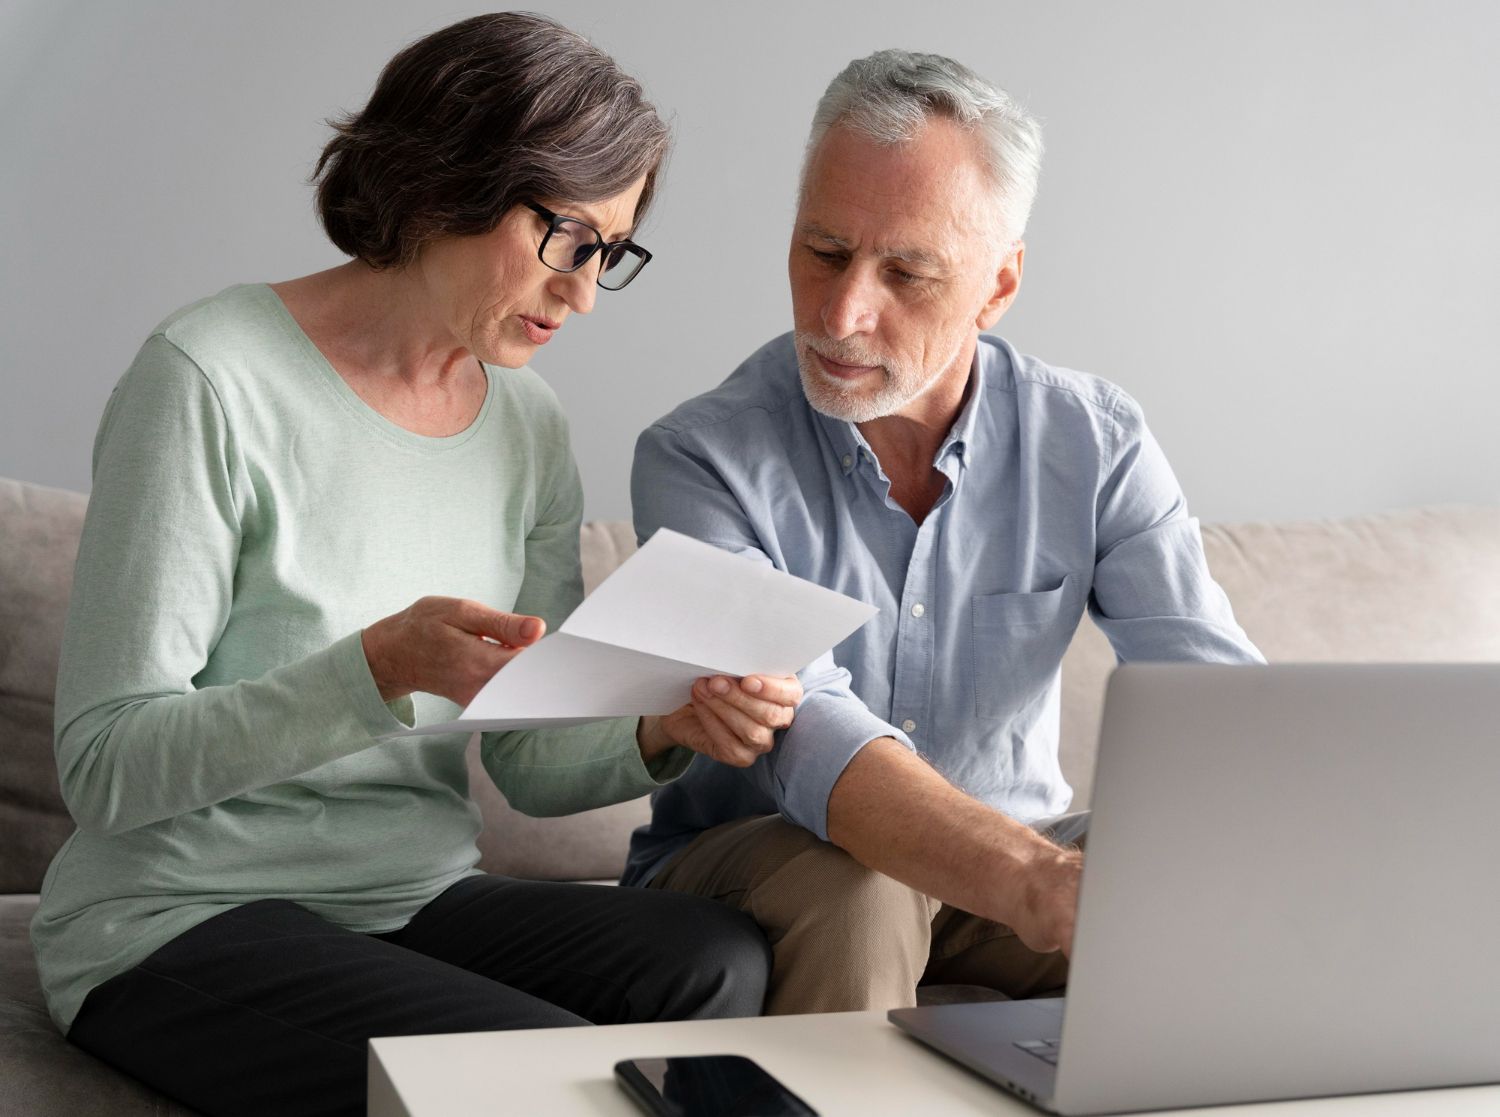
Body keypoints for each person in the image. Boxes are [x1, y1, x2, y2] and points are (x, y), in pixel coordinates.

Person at [31, 14, 799, 1116]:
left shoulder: (527, 427)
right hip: (177, 916)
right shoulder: (206, 379)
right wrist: (375, 667)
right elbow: (105, 767)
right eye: (568, 238)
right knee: (538, 1069)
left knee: (715, 957)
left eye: (610, 254)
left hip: (410, 896)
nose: (583, 292)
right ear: (448, 179)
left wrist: (662, 726)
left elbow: (531, 764)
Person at [622, 49, 1264, 1014]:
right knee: (861, 887)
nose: (842, 313)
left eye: (907, 272)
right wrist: (1033, 881)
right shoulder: (698, 458)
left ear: (997, 286)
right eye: (823, 251)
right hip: (770, 863)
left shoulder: (1093, 439)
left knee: (1225, 870)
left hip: (1011, 858)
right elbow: (804, 731)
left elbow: (1213, 696)